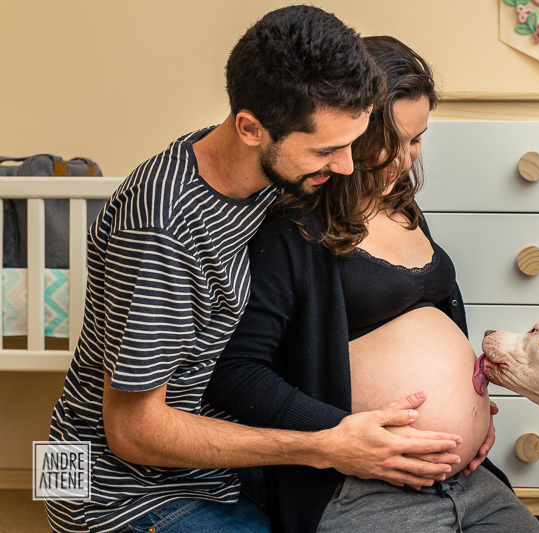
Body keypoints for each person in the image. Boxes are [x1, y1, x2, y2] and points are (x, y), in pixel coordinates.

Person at [45, 9, 465, 533]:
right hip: (123, 490)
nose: (346, 168)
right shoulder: (163, 225)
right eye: (329, 150)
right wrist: (325, 446)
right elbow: (131, 431)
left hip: (218, 473)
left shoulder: (264, 168)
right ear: (250, 128)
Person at [205, 36, 539, 533]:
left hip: (468, 480)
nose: (405, 160)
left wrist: (474, 412)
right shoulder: (294, 227)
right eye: (390, 142)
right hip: (358, 487)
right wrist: (342, 437)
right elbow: (236, 374)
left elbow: (435, 327)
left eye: (417, 138)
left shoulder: (403, 205)